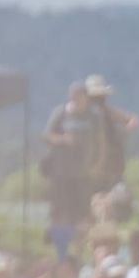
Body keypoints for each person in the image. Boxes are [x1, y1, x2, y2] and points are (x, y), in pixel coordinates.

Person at [43, 82, 97, 227]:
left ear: (86, 98)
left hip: (83, 172)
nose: (76, 100)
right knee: (60, 209)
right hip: (61, 172)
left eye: (79, 97)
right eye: (73, 97)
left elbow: (100, 141)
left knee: (82, 210)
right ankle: (59, 239)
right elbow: (47, 135)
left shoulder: (92, 116)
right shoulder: (61, 113)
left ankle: (82, 241)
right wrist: (63, 139)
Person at [84, 74, 139, 206]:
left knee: (112, 192)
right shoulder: (84, 116)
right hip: (92, 162)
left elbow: (133, 120)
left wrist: (124, 132)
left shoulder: (109, 113)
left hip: (113, 162)